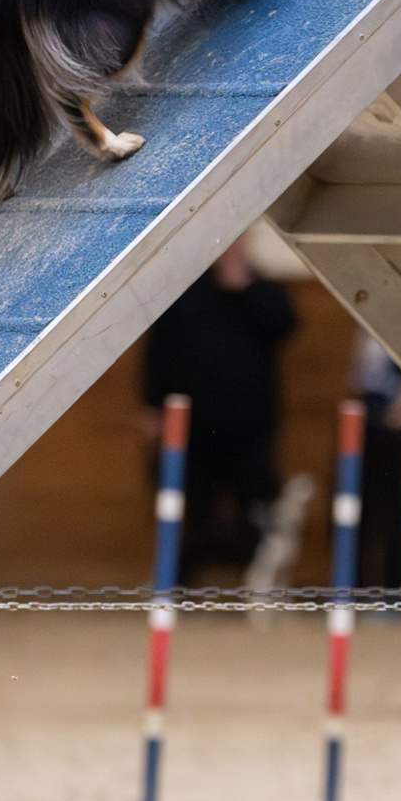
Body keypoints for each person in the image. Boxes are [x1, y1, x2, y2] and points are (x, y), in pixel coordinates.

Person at [140, 242, 299, 579]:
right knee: (196, 513)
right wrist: (152, 406)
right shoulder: (185, 290)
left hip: (250, 427)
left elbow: (286, 325)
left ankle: (250, 588)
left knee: (254, 515)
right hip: (195, 428)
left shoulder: (261, 287)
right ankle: (180, 588)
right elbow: (159, 353)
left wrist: (246, 289)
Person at [348, 330, 401, 589]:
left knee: (392, 507)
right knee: (358, 506)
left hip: (397, 423)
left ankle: (394, 589)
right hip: (366, 418)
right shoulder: (365, 329)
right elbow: (357, 376)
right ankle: (356, 586)